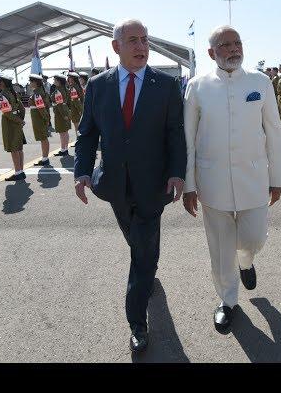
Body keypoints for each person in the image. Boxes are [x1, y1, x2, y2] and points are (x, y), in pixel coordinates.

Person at [74, 19, 186, 353]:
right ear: (116, 47)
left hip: (153, 185)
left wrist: (177, 172)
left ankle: (137, 322)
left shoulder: (165, 85)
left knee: (142, 252)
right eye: (133, 40)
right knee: (138, 243)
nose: (141, 47)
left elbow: (174, 134)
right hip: (114, 185)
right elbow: (87, 133)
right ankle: (147, 269)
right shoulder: (98, 86)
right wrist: (82, 171)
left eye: (145, 40)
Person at [183, 26, 281, 333]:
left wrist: (277, 176)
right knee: (219, 245)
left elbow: (274, 132)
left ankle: (246, 260)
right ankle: (227, 301)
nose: (233, 49)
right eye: (225, 45)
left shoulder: (260, 82)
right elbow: (187, 138)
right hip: (211, 180)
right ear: (211, 53)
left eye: (237, 43)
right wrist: (189, 184)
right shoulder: (197, 86)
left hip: (253, 176)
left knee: (253, 237)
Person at [0, 72, 27, 181]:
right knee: (19, 148)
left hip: (10, 122)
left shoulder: (3, 95)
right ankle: (21, 171)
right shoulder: (13, 93)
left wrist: (19, 121)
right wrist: (21, 119)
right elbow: (22, 108)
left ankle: (18, 172)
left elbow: (6, 113)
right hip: (17, 120)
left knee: (14, 149)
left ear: (2, 83)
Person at [28, 74, 52, 167]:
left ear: (35, 82)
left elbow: (41, 108)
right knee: (43, 138)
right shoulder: (38, 92)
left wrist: (46, 120)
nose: (30, 83)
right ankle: (44, 157)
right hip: (39, 118)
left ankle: (45, 158)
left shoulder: (37, 93)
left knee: (43, 138)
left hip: (39, 119)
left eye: (31, 81)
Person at [50, 73, 73, 157]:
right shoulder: (66, 89)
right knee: (65, 132)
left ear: (59, 81)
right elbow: (69, 102)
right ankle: (65, 148)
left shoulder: (58, 90)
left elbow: (59, 104)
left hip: (61, 113)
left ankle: (63, 149)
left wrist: (64, 115)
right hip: (65, 110)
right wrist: (68, 112)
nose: (54, 81)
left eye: (55, 80)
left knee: (62, 132)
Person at [67, 71, 85, 137]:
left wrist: (80, 111)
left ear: (73, 79)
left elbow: (76, 101)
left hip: (76, 110)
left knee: (77, 127)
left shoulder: (73, 88)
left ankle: (79, 140)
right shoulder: (76, 86)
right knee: (78, 126)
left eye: (69, 77)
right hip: (78, 109)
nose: (68, 79)